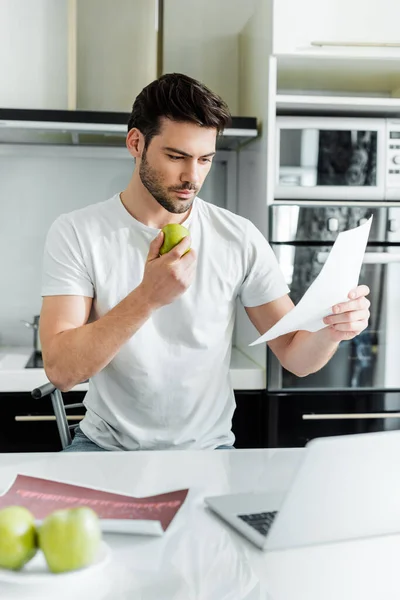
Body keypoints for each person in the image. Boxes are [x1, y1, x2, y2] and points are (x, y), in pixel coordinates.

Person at [39, 73, 370, 452]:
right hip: (104, 446)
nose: (192, 177)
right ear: (136, 143)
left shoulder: (238, 237)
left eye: (204, 159)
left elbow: (296, 355)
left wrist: (333, 329)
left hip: (208, 450)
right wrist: (148, 297)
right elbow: (62, 371)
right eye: (176, 157)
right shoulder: (77, 232)